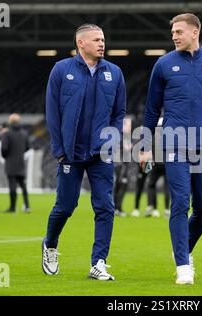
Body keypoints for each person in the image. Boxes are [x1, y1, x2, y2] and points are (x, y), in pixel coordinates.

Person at [140, 13, 202, 284]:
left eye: (179, 32)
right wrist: (145, 147)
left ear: (195, 32)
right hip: (174, 144)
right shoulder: (163, 64)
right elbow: (151, 110)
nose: (174, 36)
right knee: (180, 204)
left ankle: (183, 250)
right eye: (172, 32)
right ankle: (183, 266)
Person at [43, 24, 126, 281]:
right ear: (81, 43)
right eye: (96, 40)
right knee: (66, 206)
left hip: (101, 153)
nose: (102, 44)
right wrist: (59, 150)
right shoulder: (61, 70)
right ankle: (50, 245)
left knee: (105, 207)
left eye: (103, 39)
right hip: (70, 153)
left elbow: (118, 113)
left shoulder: (115, 73)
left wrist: (111, 141)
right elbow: (53, 113)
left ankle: (98, 262)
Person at [0, 113, 30, 213]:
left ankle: (12, 207)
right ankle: (27, 206)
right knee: (23, 186)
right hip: (20, 163)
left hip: (10, 163)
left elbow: (4, 149)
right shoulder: (24, 134)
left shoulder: (6, 134)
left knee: (12, 186)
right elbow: (27, 147)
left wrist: (6, 157)